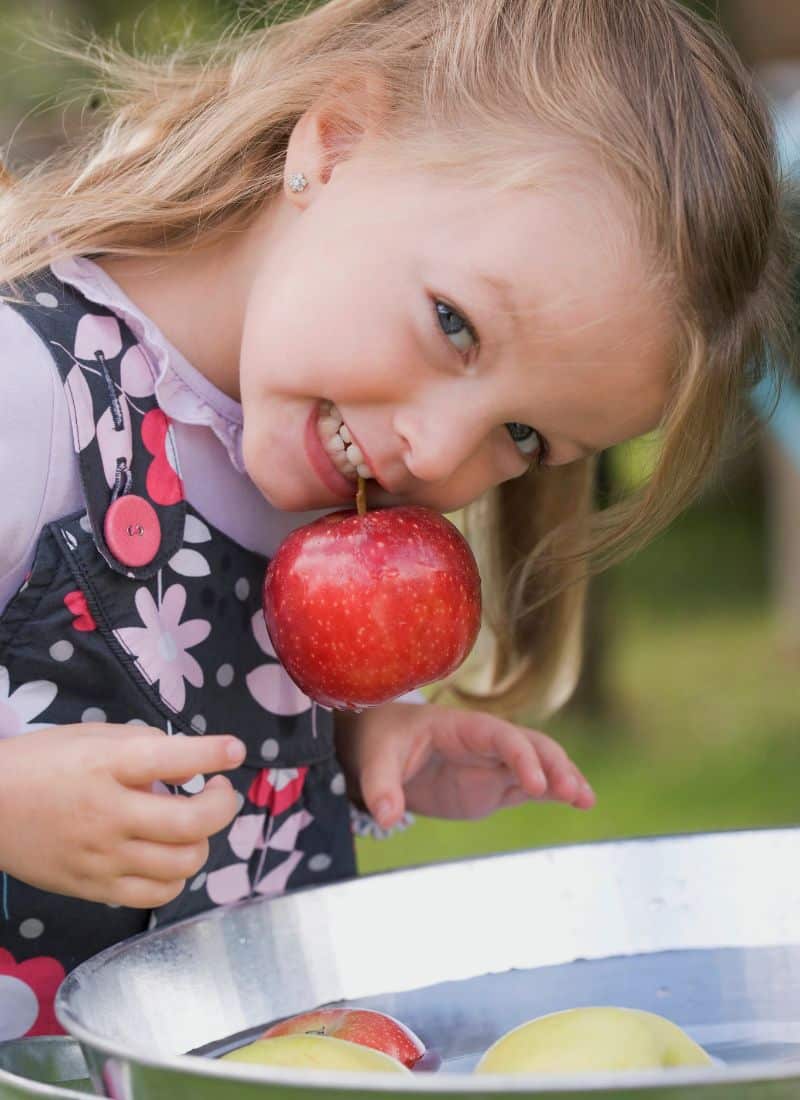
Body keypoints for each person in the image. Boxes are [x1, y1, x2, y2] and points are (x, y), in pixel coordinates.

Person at [0, 0, 794, 1040]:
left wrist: (371, 733)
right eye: (452, 323)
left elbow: (229, 696)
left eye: (520, 434)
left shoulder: (338, 502)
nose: (437, 451)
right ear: (332, 148)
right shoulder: (35, 398)